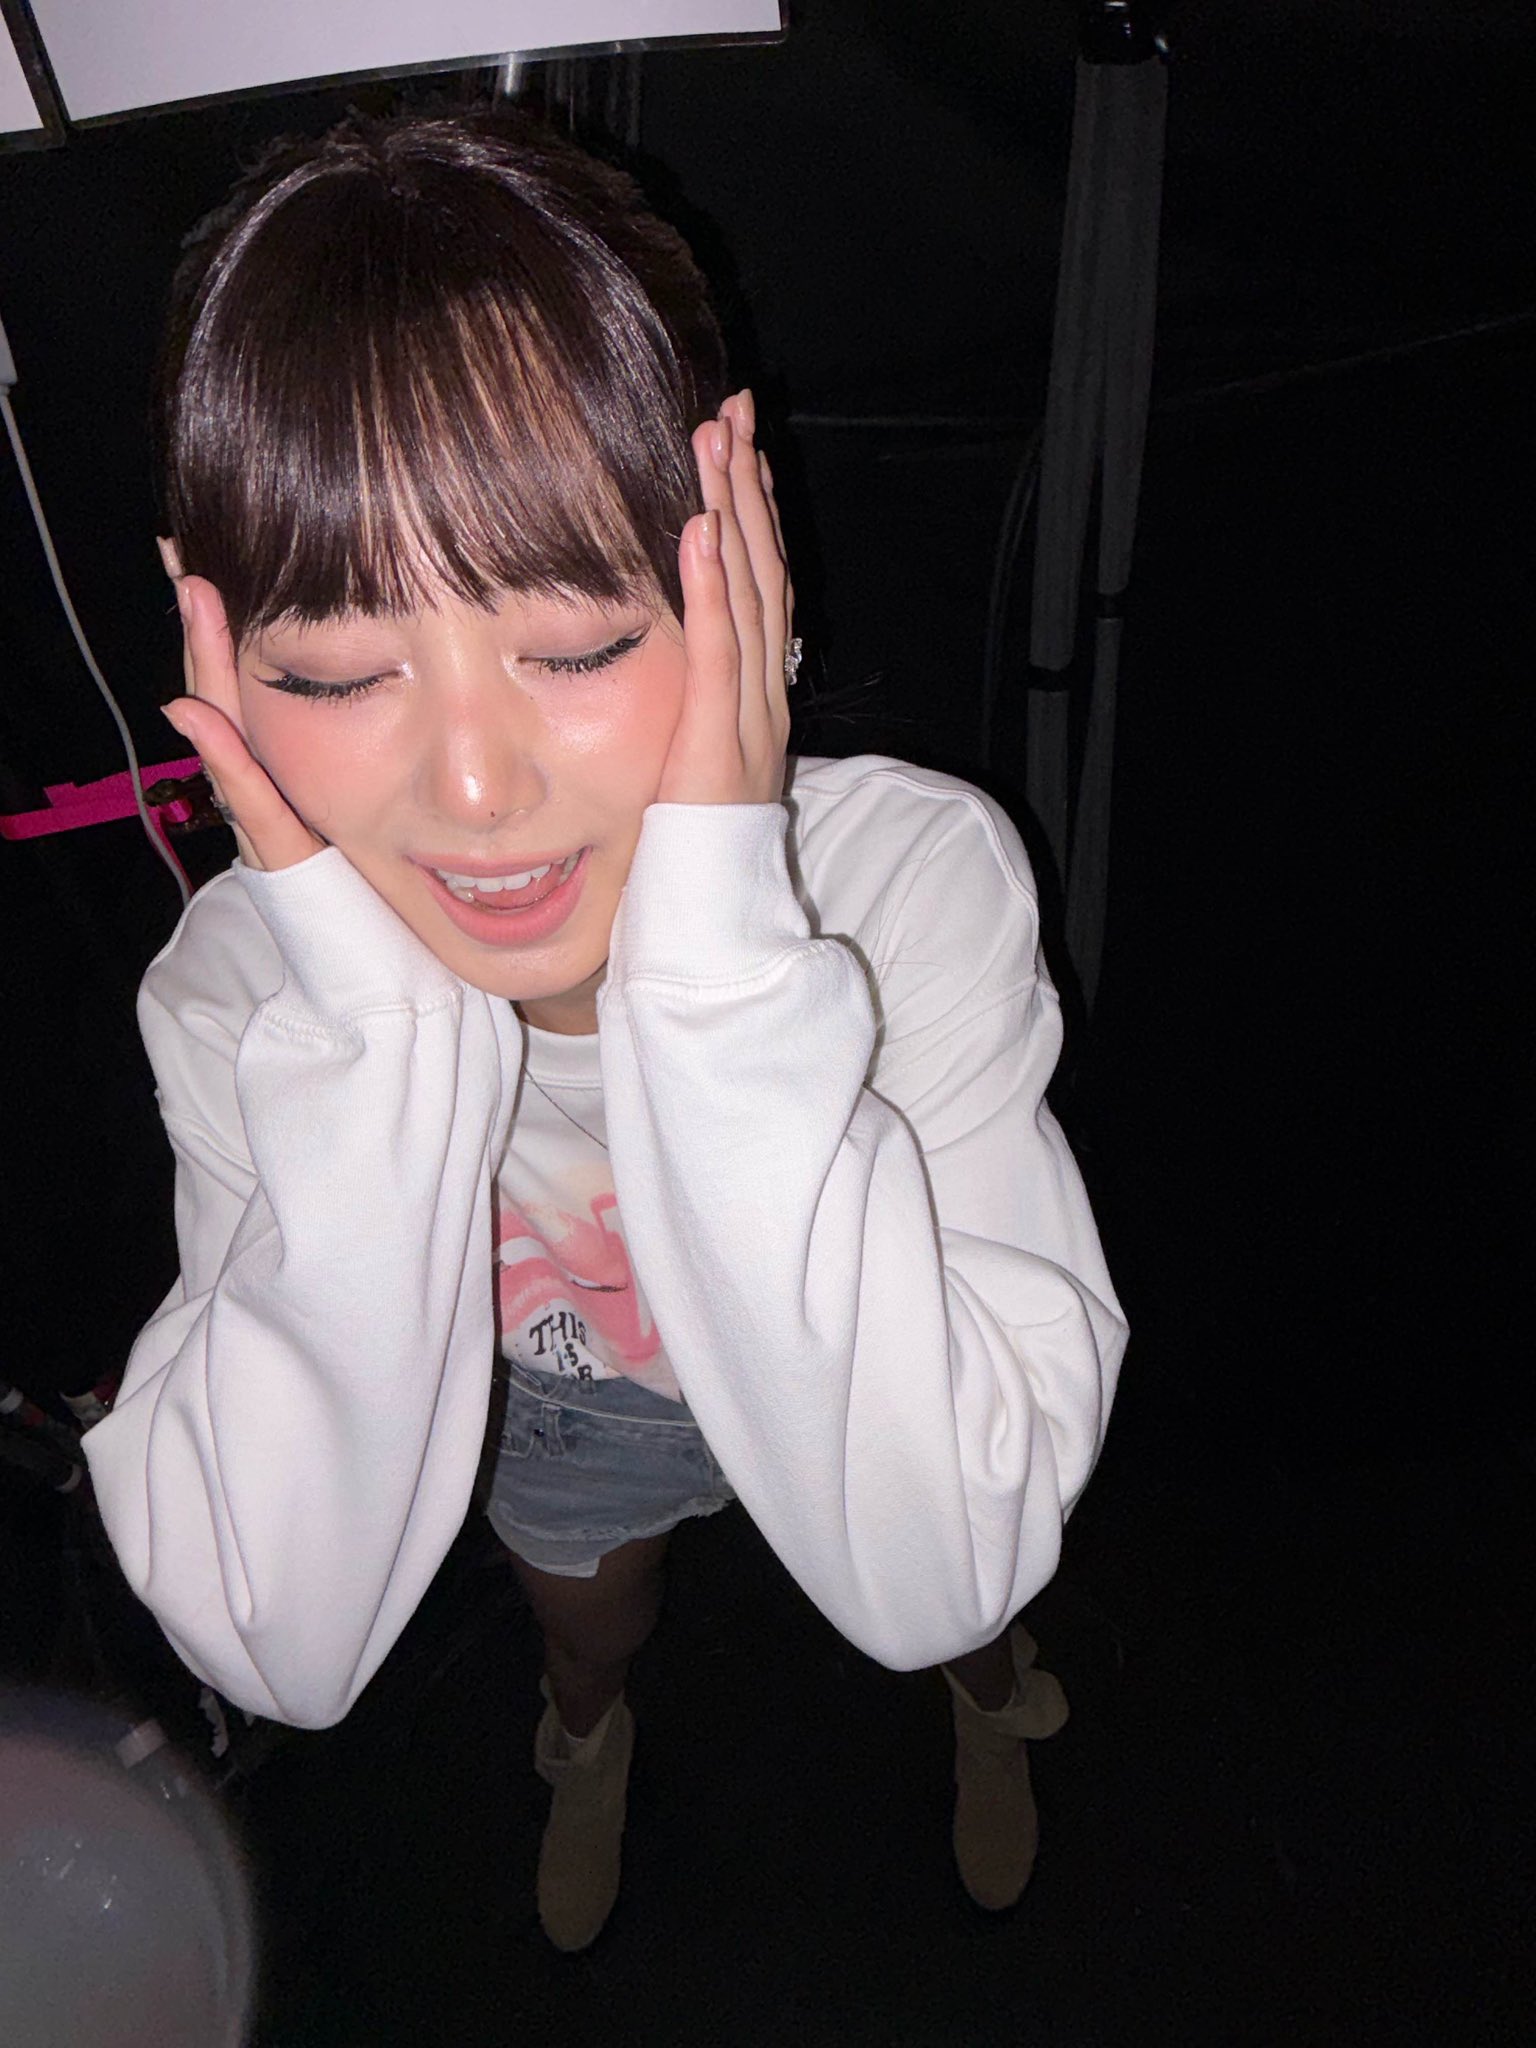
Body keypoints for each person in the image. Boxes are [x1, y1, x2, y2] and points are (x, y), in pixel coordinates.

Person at [82, 109, 1128, 1952]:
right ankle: (590, 1740)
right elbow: (279, 1639)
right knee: (589, 1634)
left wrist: (719, 948)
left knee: (961, 1622)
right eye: (337, 672)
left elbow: (938, 1551)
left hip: (889, 1352)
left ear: (741, 565)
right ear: (219, 649)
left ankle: (990, 1705)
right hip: (565, 1399)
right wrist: (367, 1024)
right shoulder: (244, 993)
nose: (476, 786)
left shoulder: (902, 887)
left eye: (571, 647)